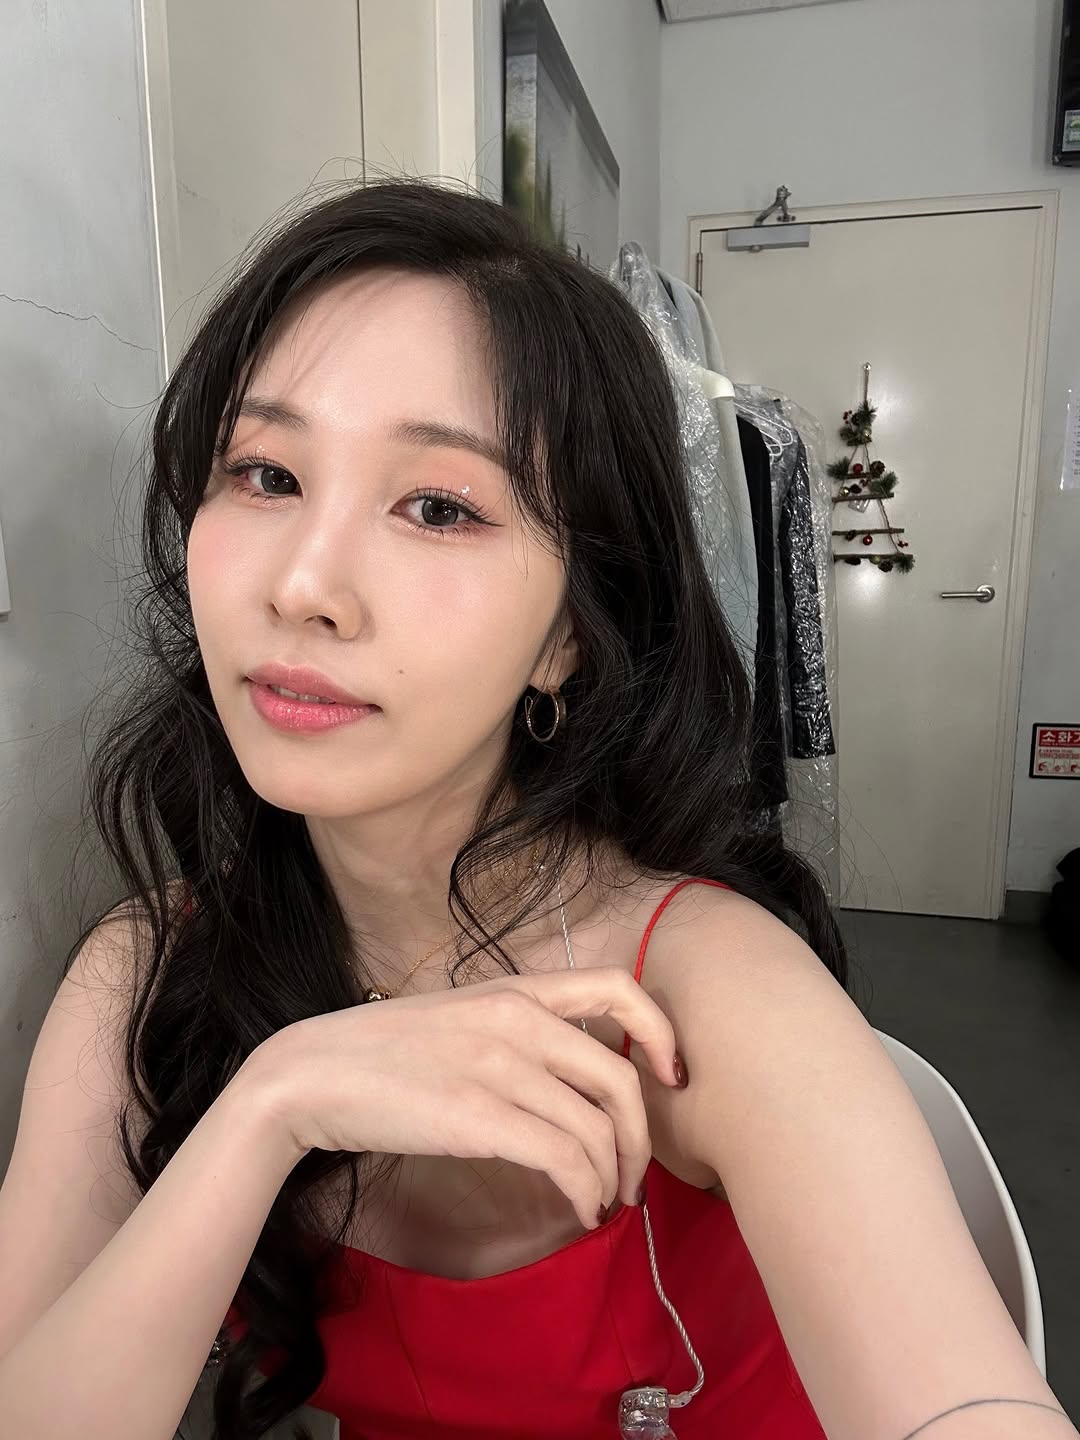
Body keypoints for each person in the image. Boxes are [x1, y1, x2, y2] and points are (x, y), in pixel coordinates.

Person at [0, 179, 1072, 1440]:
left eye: (438, 506)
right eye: (266, 473)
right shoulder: (150, 973)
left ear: (570, 633)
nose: (302, 585)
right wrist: (271, 1106)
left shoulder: (702, 988)